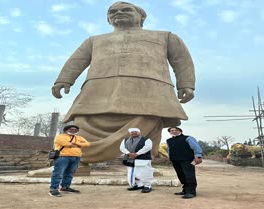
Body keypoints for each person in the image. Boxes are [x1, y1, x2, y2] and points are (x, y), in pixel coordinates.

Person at [52, 1, 195, 163]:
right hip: (98, 93)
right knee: (83, 124)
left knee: (148, 124)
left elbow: (181, 60)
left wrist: (186, 84)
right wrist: (64, 80)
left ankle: (142, 165)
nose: (118, 13)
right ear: (108, 19)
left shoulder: (165, 36)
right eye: (112, 11)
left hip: (148, 93)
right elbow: (76, 61)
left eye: (126, 10)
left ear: (141, 17)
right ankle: (78, 161)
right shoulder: (94, 40)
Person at [49, 125, 91, 197]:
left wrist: (77, 144)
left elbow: (87, 144)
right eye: (71, 129)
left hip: (76, 157)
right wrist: (78, 145)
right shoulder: (60, 136)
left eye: (75, 130)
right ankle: (53, 189)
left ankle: (65, 187)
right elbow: (66, 144)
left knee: (70, 173)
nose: (73, 131)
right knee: (58, 173)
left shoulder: (79, 138)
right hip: (62, 157)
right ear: (66, 130)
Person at [166, 127, 202, 199]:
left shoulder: (188, 138)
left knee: (189, 175)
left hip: (187, 159)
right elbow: (169, 149)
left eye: (176, 130)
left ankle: (191, 192)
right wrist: (169, 157)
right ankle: (185, 190)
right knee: (181, 175)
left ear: (180, 131)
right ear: (170, 132)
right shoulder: (169, 140)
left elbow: (196, 147)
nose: (174, 131)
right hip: (175, 159)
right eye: (172, 130)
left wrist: (198, 156)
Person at [119, 128, 153, 193]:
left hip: (142, 159)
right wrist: (129, 153)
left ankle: (147, 186)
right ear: (130, 133)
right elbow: (122, 148)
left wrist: (137, 154)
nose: (134, 133)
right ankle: (137, 185)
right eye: (132, 132)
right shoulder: (125, 140)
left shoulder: (146, 139)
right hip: (130, 159)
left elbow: (147, 147)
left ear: (139, 132)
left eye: (135, 132)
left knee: (144, 173)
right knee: (132, 173)